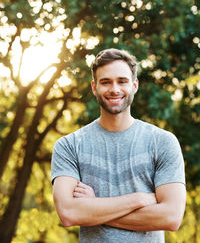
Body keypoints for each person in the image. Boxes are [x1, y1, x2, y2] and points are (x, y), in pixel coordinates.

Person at [51, 48, 186, 243]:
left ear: (134, 85)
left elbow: (171, 217)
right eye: (105, 82)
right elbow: (69, 213)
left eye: (122, 81)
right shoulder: (69, 146)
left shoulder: (163, 142)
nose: (114, 89)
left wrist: (94, 208)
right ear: (94, 87)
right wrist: (139, 199)